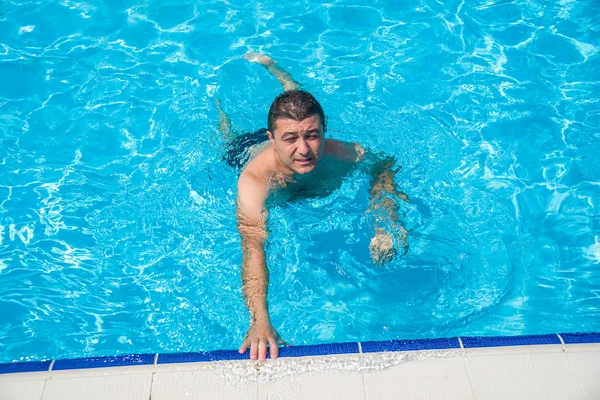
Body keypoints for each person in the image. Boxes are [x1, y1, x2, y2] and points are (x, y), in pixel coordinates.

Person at [216, 52, 408, 362]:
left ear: (324, 130)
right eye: (290, 139)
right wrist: (259, 319)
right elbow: (252, 245)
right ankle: (220, 108)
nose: (304, 150)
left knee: (296, 98)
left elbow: (383, 165)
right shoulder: (254, 181)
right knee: (226, 135)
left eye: (313, 136)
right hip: (243, 150)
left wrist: (384, 219)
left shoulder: (340, 152)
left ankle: (275, 69)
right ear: (273, 138)